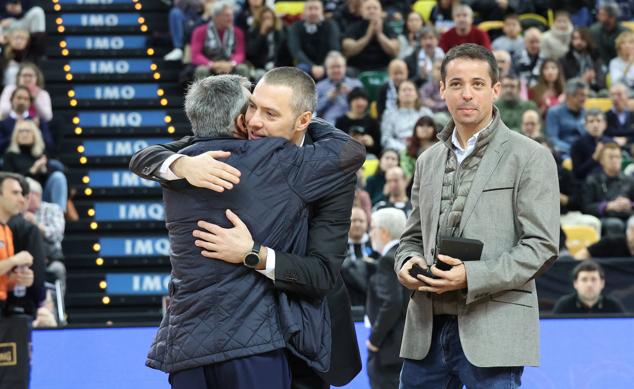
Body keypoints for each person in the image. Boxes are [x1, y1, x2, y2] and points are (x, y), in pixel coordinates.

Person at [129, 68, 363, 389]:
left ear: (302, 120)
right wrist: (180, 164)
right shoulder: (200, 159)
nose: (253, 121)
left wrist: (253, 254)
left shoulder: (325, 167)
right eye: (252, 106)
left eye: (269, 113)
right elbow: (155, 153)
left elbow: (321, 274)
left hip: (306, 336)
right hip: (253, 340)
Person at [395, 44, 559, 388]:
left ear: (495, 90)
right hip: (425, 331)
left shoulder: (530, 157)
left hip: (493, 331)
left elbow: (541, 247)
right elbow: (411, 238)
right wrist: (406, 263)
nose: (466, 94)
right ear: (442, 90)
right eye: (456, 84)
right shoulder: (427, 160)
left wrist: (471, 275)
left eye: (477, 84)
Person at [365, 207, 408, 389]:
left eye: (372, 228)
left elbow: (392, 302)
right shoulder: (408, 257)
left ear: (383, 232)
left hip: (389, 349)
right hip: (407, 348)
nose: (369, 234)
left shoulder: (387, 260)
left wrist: (374, 340)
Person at [3, 120, 67, 211]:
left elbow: (48, 180)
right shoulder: (10, 155)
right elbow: (8, 180)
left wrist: (44, 170)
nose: (24, 134)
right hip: (22, 195)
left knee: (58, 177)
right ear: (15, 135)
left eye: (28, 131)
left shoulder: (41, 153)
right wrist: (32, 171)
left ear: (35, 135)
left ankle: (59, 214)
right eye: (21, 131)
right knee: (30, 182)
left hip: (42, 196)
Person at [580, 142, 634, 236]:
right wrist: (607, 206)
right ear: (602, 161)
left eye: (617, 157)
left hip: (627, 214)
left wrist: (629, 204)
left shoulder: (629, 180)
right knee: (615, 224)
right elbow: (585, 207)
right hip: (604, 217)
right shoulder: (593, 180)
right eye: (610, 157)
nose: (615, 160)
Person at [190, 0, 248, 79]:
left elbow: (240, 54)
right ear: (216, 16)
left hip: (230, 64)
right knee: (201, 70)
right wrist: (212, 65)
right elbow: (196, 55)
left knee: (243, 68)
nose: (231, 18)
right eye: (227, 15)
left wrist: (231, 64)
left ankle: (243, 91)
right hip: (210, 64)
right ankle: (202, 92)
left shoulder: (238, 32)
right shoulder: (200, 31)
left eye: (232, 15)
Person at [287, 0, 341, 81]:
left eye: (316, 8)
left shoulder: (331, 25)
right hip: (305, 65)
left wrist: (323, 66)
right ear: (304, 11)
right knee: (300, 71)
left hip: (327, 64)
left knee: (337, 68)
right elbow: (296, 51)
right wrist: (312, 66)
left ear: (322, 10)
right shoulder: (295, 27)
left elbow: (334, 48)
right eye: (310, 9)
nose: (313, 12)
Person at [342, 0, 399, 73]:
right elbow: (348, 51)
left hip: (383, 68)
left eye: (375, 8)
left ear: (381, 12)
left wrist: (379, 34)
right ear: (362, 11)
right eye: (368, 8)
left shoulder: (388, 28)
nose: (372, 11)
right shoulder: (353, 27)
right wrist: (368, 36)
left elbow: (394, 51)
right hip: (357, 69)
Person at [552, 260, 626, 314]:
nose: (589, 284)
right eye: (584, 280)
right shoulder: (564, 306)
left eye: (593, 279)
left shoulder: (613, 306)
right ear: (575, 284)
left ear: (602, 283)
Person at [380, 80, 433, 152]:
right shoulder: (389, 113)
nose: (407, 92)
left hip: (423, 150)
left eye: (410, 90)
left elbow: (433, 136)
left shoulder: (426, 112)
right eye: (404, 90)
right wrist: (405, 149)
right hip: (398, 151)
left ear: (417, 94)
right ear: (398, 95)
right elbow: (385, 139)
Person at [0, 86, 51, 154]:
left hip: (34, 158)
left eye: (26, 99)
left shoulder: (38, 122)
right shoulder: (3, 123)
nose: (22, 101)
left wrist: (37, 131)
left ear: (30, 102)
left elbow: (50, 146)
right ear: (11, 100)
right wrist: (16, 132)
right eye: (19, 98)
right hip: (9, 159)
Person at [545, 78, 588, 158]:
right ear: (569, 96)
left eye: (585, 95)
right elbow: (553, 139)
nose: (584, 99)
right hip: (564, 153)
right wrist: (573, 149)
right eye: (581, 95)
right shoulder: (554, 112)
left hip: (586, 153)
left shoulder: (587, 113)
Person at [342, 206, 376, 307]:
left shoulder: (374, 245)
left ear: (367, 223)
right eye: (353, 220)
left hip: (370, 299)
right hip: (347, 300)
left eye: (361, 221)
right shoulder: (339, 246)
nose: (357, 224)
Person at [315, 51, 363, 123]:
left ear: (345, 67)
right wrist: (328, 97)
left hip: (352, 124)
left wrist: (351, 95)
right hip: (329, 125)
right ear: (326, 69)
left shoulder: (356, 84)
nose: (336, 70)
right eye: (332, 67)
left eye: (338, 66)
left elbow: (364, 107)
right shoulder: (320, 86)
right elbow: (313, 111)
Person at [335, 87, 381, 157]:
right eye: (356, 99)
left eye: (363, 99)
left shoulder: (373, 122)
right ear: (350, 102)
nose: (360, 103)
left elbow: (379, 150)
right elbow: (335, 146)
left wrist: (372, 143)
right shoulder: (341, 121)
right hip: (346, 157)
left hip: (368, 157)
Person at [559, 28, 605, 94]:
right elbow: (564, 84)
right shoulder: (564, 60)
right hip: (574, 93)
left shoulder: (595, 57)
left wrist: (595, 78)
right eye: (575, 39)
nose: (579, 42)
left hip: (596, 90)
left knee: (604, 93)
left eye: (582, 38)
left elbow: (601, 81)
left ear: (588, 40)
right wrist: (582, 80)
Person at [245, 6, 286, 80]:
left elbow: (285, 53)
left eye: (269, 18)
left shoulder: (281, 32)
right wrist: (262, 34)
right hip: (259, 67)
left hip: (278, 66)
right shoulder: (253, 32)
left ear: (274, 19)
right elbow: (251, 52)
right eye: (264, 19)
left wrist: (277, 65)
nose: (267, 21)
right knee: (260, 76)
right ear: (259, 20)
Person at [571, 109, 612, 181]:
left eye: (599, 121)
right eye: (591, 121)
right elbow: (576, 174)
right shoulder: (577, 144)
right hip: (587, 184)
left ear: (605, 125)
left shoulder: (611, 143)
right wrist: (594, 158)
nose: (595, 125)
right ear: (585, 125)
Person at [589, 1, 627, 67]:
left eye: (602, 14)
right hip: (600, 66)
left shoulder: (624, 32)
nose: (597, 16)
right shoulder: (593, 30)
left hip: (622, 66)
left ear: (612, 17)